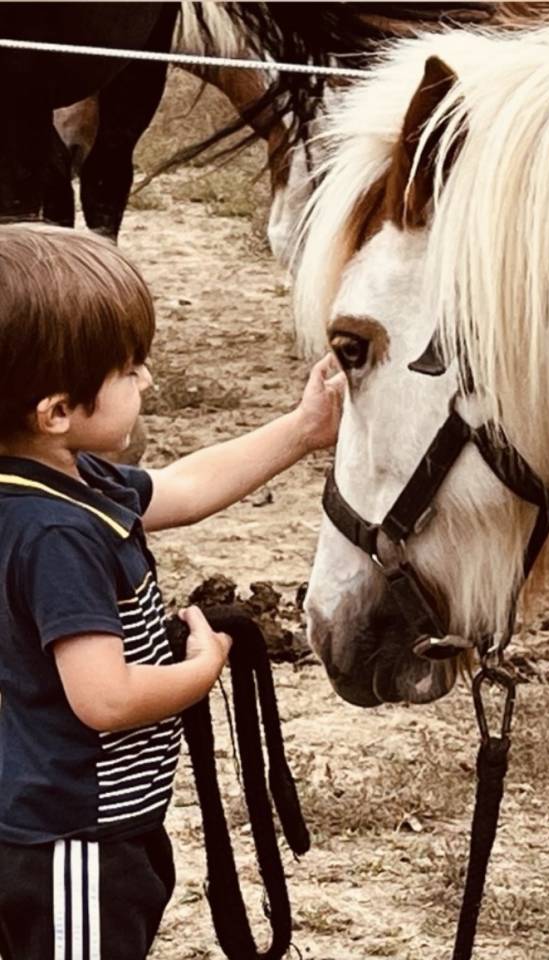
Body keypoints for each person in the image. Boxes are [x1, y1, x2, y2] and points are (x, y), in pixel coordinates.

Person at [0, 222, 343, 960]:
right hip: (77, 838)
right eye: (129, 369)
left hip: (66, 823)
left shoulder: (61, 482)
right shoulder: (57, 534)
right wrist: (200, 670)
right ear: (56, 411)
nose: (148, 380)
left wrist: (303, 429)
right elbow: (107, 698)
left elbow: (184, 487)